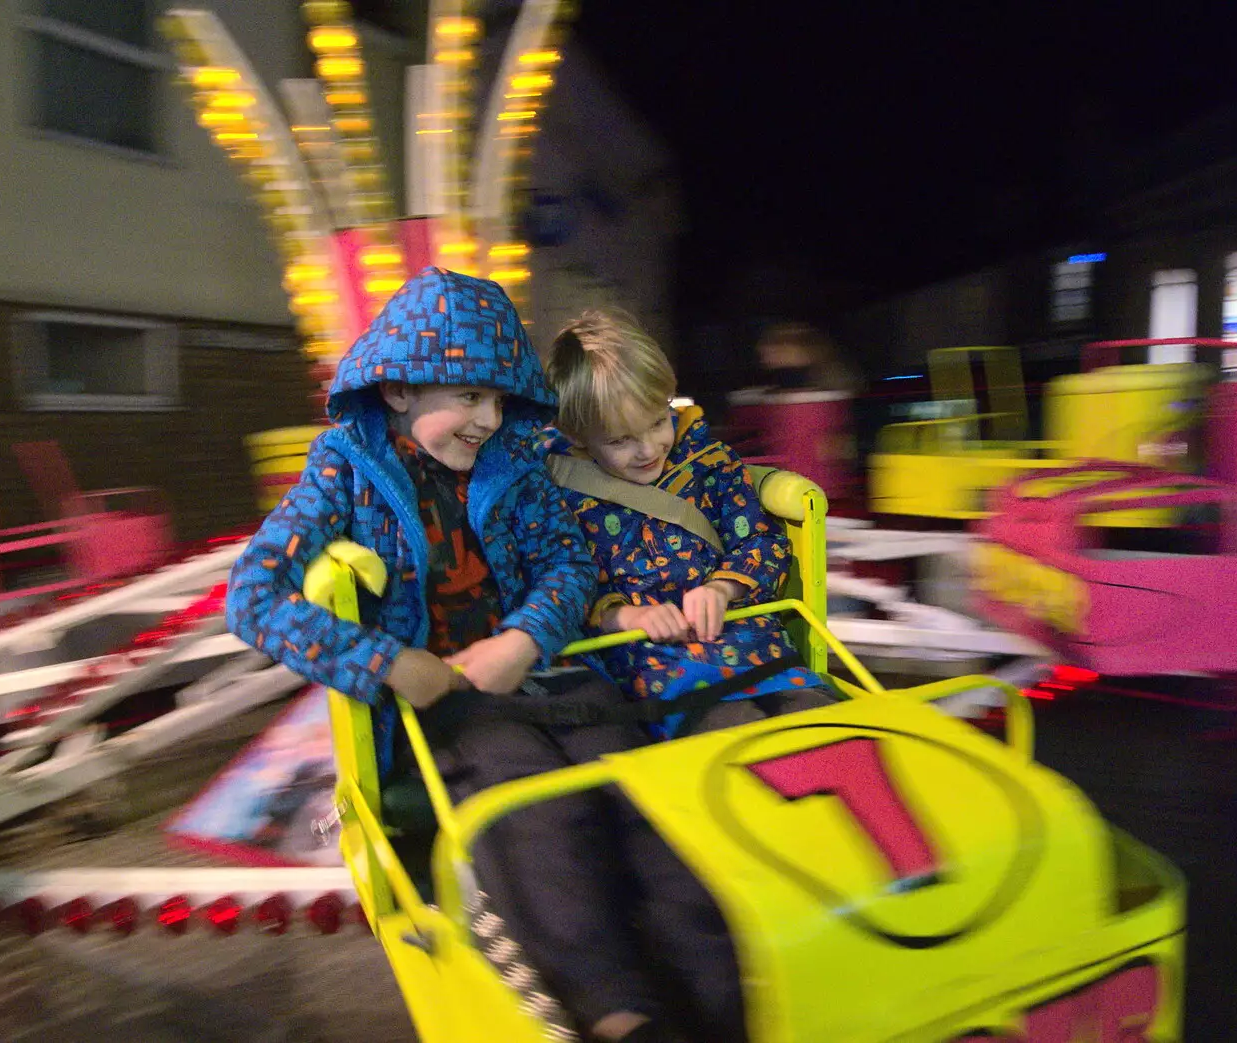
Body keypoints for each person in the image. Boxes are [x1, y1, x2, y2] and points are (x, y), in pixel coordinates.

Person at [226, 269, 741, 1043]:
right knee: (535, 811)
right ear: (398, 389)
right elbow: (253, 596)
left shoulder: (514, 460)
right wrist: (389, 664)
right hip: (451, 699)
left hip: (553, 674)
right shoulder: (344, 466)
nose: (488, 419)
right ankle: (620, 1011)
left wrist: (524, 638)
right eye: (470, 396)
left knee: (637, 799)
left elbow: (569, 565)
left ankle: (724, 991)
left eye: (501, 401)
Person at [541, 309, 836, 738]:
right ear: (578, 436)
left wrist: (723, 586)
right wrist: (625, 618)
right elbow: (560, 587)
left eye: (658, 421)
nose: (647, 449)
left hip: (759, 650)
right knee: (732, 743)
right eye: (621, 440)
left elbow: (762, 540)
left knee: (829, 727)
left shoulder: (709, 463)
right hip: (660, 673)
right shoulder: (561, 496)